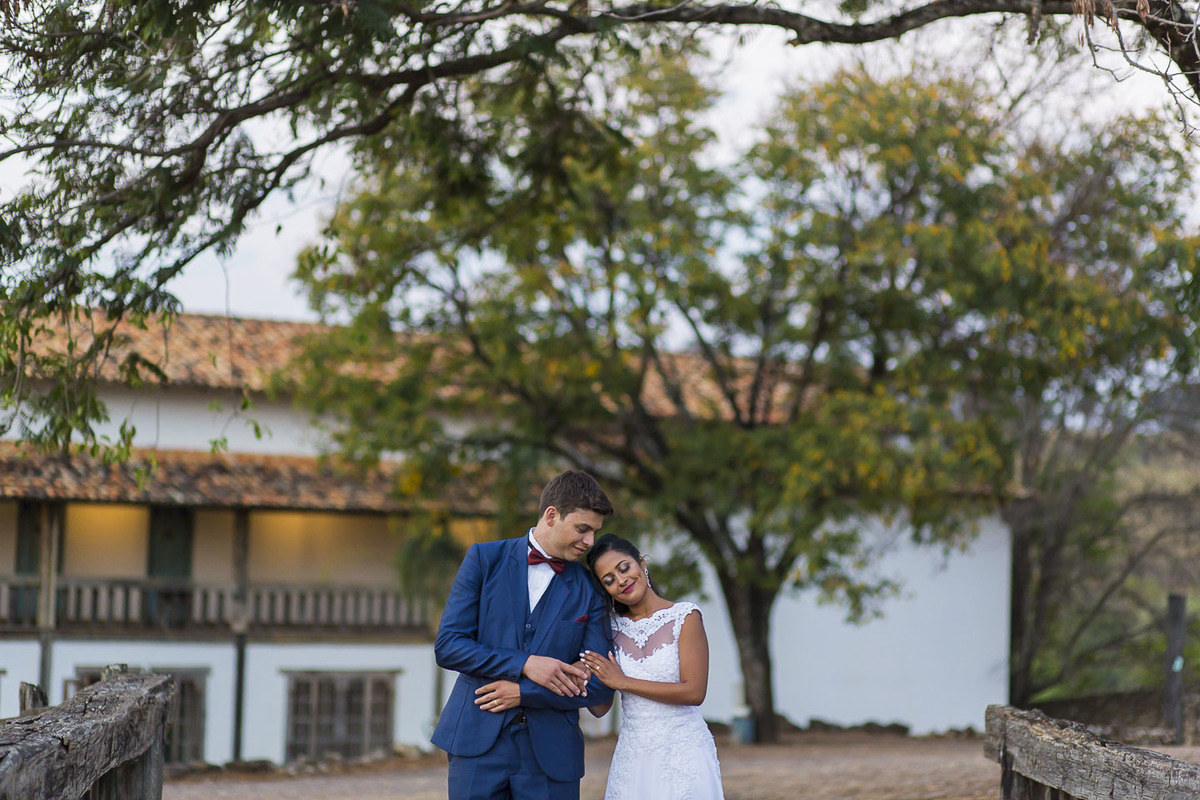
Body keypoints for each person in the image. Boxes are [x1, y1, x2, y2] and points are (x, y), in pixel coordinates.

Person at [432, 469, 617, 800]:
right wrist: (526, 664)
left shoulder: (591, 589)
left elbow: (599, 684)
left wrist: (525, 692)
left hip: (552, 754)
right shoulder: (484, 559)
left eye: (594, 532)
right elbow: (449, 646)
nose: (590, 542)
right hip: (477, 741)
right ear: (551, 516)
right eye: (582, 528)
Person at [580, 533, 725, 800]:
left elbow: (694, 693)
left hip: (684, 752)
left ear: (641, 564)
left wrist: (623, 682)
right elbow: (600, 709)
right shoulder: (609, 629)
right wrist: (581, 677)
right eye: (609, 580)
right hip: (634, 757)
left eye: (624, 568)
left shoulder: (685, 617)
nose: (621, 580)